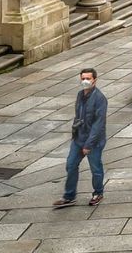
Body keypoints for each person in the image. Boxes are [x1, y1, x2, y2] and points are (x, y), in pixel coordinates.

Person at [53, 68, 107, 208]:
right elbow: (78, 116)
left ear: (95, 79)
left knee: (95, 167)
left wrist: (88, 145)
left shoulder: (100, 99)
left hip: (93, 141)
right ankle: (69, 196)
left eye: (88, 78)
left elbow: (98, 124)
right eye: (83, 78)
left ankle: (98, 193)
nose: (85, 81)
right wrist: (75, 134)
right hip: (79, 138)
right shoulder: (80, 95)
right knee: (70, 165)